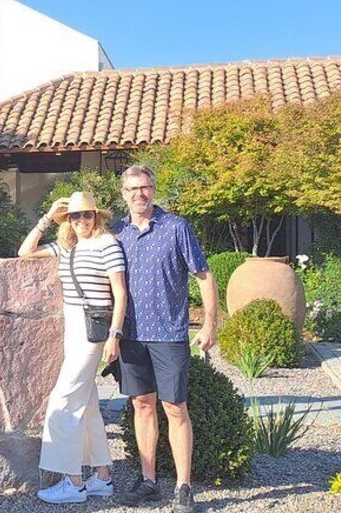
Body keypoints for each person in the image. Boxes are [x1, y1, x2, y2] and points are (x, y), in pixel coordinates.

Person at [113, 165, 217, 513]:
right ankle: (148, 482)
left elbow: (203, 275)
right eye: (132, 189)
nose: (139, 194)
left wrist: (210, 324)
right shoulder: (116, 231)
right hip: (131, 336)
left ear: (154, 190)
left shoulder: (176, 228)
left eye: (144, 187)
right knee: (141, 405)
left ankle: (183, 487)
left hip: (169, 335)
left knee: (175, 408)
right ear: (123, 194)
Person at [19, 191, 127, 504]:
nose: (81, 221)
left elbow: (119, 293)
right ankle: (103, 477)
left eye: (86, 215)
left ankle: (74, 482)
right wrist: (47, 215)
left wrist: (114, 335)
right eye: (75, 216)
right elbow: (25, 251)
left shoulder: (107, 244)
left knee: (62, 401)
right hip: (72, 325)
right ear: (68, 220)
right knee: (87, 402)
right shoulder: (67, 247)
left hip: (93, 330)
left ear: (97, 217)